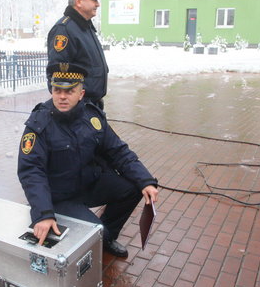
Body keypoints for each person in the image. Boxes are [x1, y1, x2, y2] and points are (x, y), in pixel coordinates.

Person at [17, 62, 159, 258]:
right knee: (97, 233)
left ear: (81, 94)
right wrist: (43, 213)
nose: (62, 96)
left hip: (88, 184)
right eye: (57, 90)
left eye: (69, 91)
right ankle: (100, 234)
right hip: (60, 196)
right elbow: (31, 171)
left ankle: (107, 236)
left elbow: (118, 150)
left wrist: (145, 180)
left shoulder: (92, 117)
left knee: (134, 188)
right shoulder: (39, 124)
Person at [47, 0, 109, 108]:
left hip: (91, 104)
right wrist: (74, 108)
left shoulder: (85, 26)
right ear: (79, 1)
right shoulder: (65, 30)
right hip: (79, 108)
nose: (97, 4)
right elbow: (58, 75)